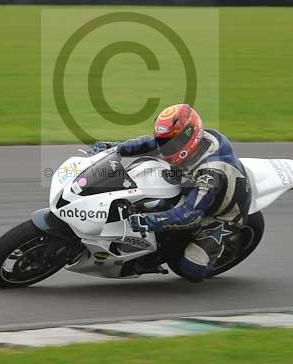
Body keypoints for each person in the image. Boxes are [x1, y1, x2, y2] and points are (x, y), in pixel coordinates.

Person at [92, 104, 251, 282]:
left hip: (221, 215)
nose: (164, 147)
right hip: (191, 183)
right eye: (163, 141)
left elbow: (190, 215)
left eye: (170, 142)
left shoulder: (211, 173)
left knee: (191, 270)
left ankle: (217, 248)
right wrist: (114, 148)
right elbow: (150, 144)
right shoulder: (186, 143)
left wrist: (147, 221)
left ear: (189, 136)